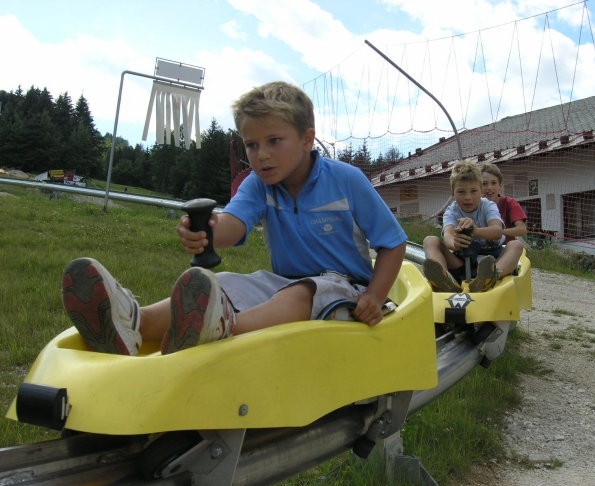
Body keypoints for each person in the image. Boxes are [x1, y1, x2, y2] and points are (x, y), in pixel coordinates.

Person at [62, 81, 407, 356]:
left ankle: (220, 329)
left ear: (306, 138)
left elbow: (392, 243)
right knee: (223, 282)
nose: (261, 155)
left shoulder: (345, 179)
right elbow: (234, 223)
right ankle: (132, 323)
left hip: (345, 289)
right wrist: (207, 231)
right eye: (252, 145)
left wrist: (374, 296)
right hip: (284, 283)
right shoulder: (259, 184)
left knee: (302, 293)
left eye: (274, 141)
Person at [422, 160, 518, 293]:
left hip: (493, 258)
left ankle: (491, 276)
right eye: (461, 192)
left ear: (481, 191)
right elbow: (448, 235)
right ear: (453, 193)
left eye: (473, 191)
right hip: (462, 260)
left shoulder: (488, 206)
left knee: (516, 245)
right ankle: (445, 280)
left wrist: (476, 231)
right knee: (430, 240)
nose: (468, 197)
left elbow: (497, 231)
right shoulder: (451, 211)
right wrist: (454, 243)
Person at [480, 162, 527, 267]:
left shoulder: (509, 203)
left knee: (516, 245)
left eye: (493, 183)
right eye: (484, 184)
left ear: (500, 186)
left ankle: (495, 272)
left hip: (505, 248)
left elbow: (522, 229)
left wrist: (496, 232)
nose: (489, 187)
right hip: (481, 250)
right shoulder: (475, 205)